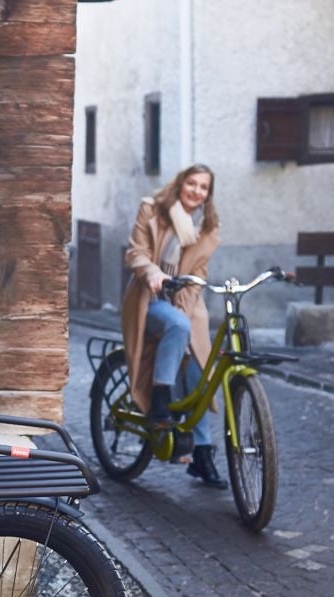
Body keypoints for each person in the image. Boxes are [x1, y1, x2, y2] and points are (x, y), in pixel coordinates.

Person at [120, 163, 227, 489]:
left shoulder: (206, 229)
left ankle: (203, 453)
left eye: (203, 187)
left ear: (208, 194)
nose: (196, 191)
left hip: (185, 305)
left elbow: (199, 276)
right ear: (181, 184)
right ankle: (160, 397)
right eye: (191, 183)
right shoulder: (152, 210)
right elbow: (136, 251)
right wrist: (152, 272)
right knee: (179, 326)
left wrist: (185, 300)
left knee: (200, 367)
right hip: (147, 300)